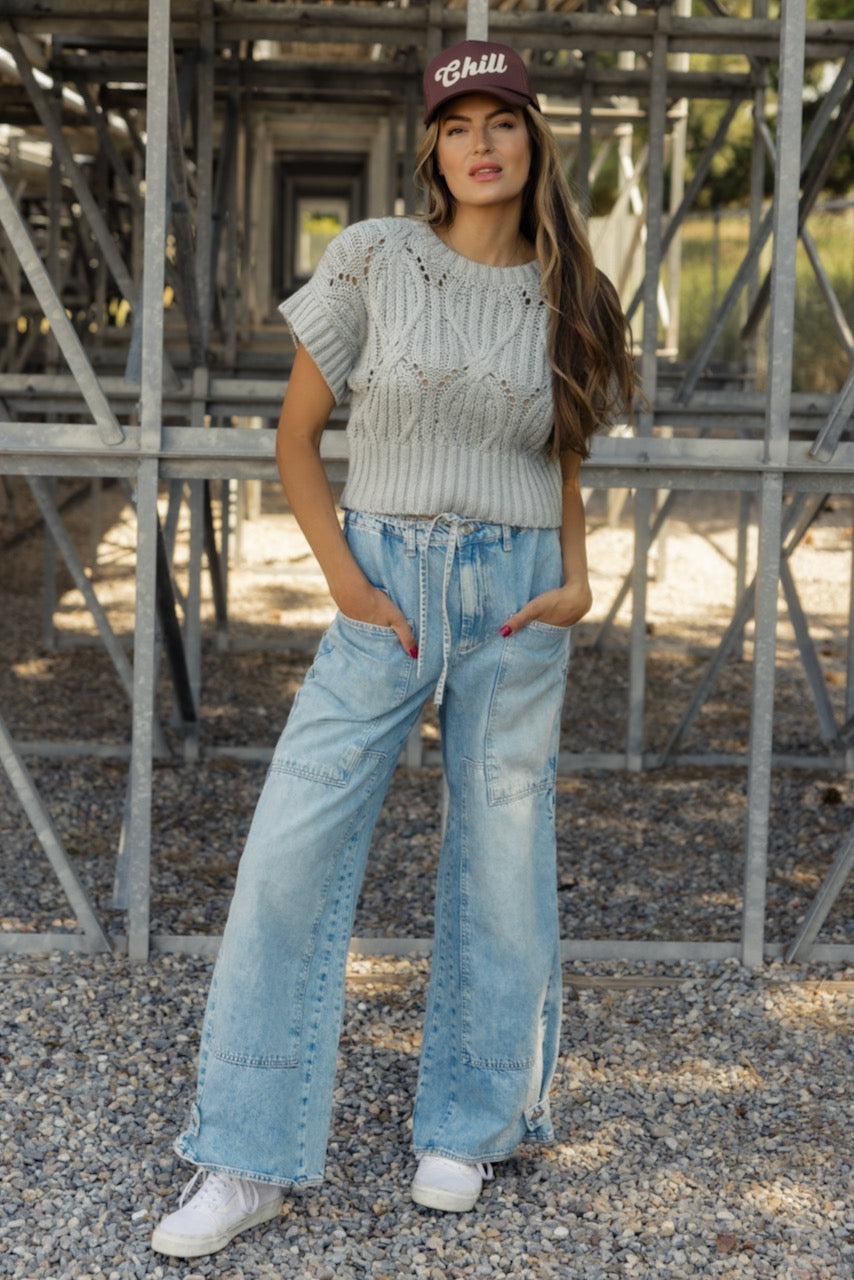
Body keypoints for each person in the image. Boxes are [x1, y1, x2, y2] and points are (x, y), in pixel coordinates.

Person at [151, 38, 635, 1259]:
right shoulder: (373, 255)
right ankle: (244, 1154)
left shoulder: (572, 289)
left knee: (501, 852)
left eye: (503, 122)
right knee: (289, 849)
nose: (482, 142)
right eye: (459, 122)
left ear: (532, 143)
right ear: (430, 145)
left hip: (519, 590)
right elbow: (298, 438)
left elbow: (562, 447)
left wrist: (578, 578)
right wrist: (348, 584)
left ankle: (465, 1128)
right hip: (387, 581)